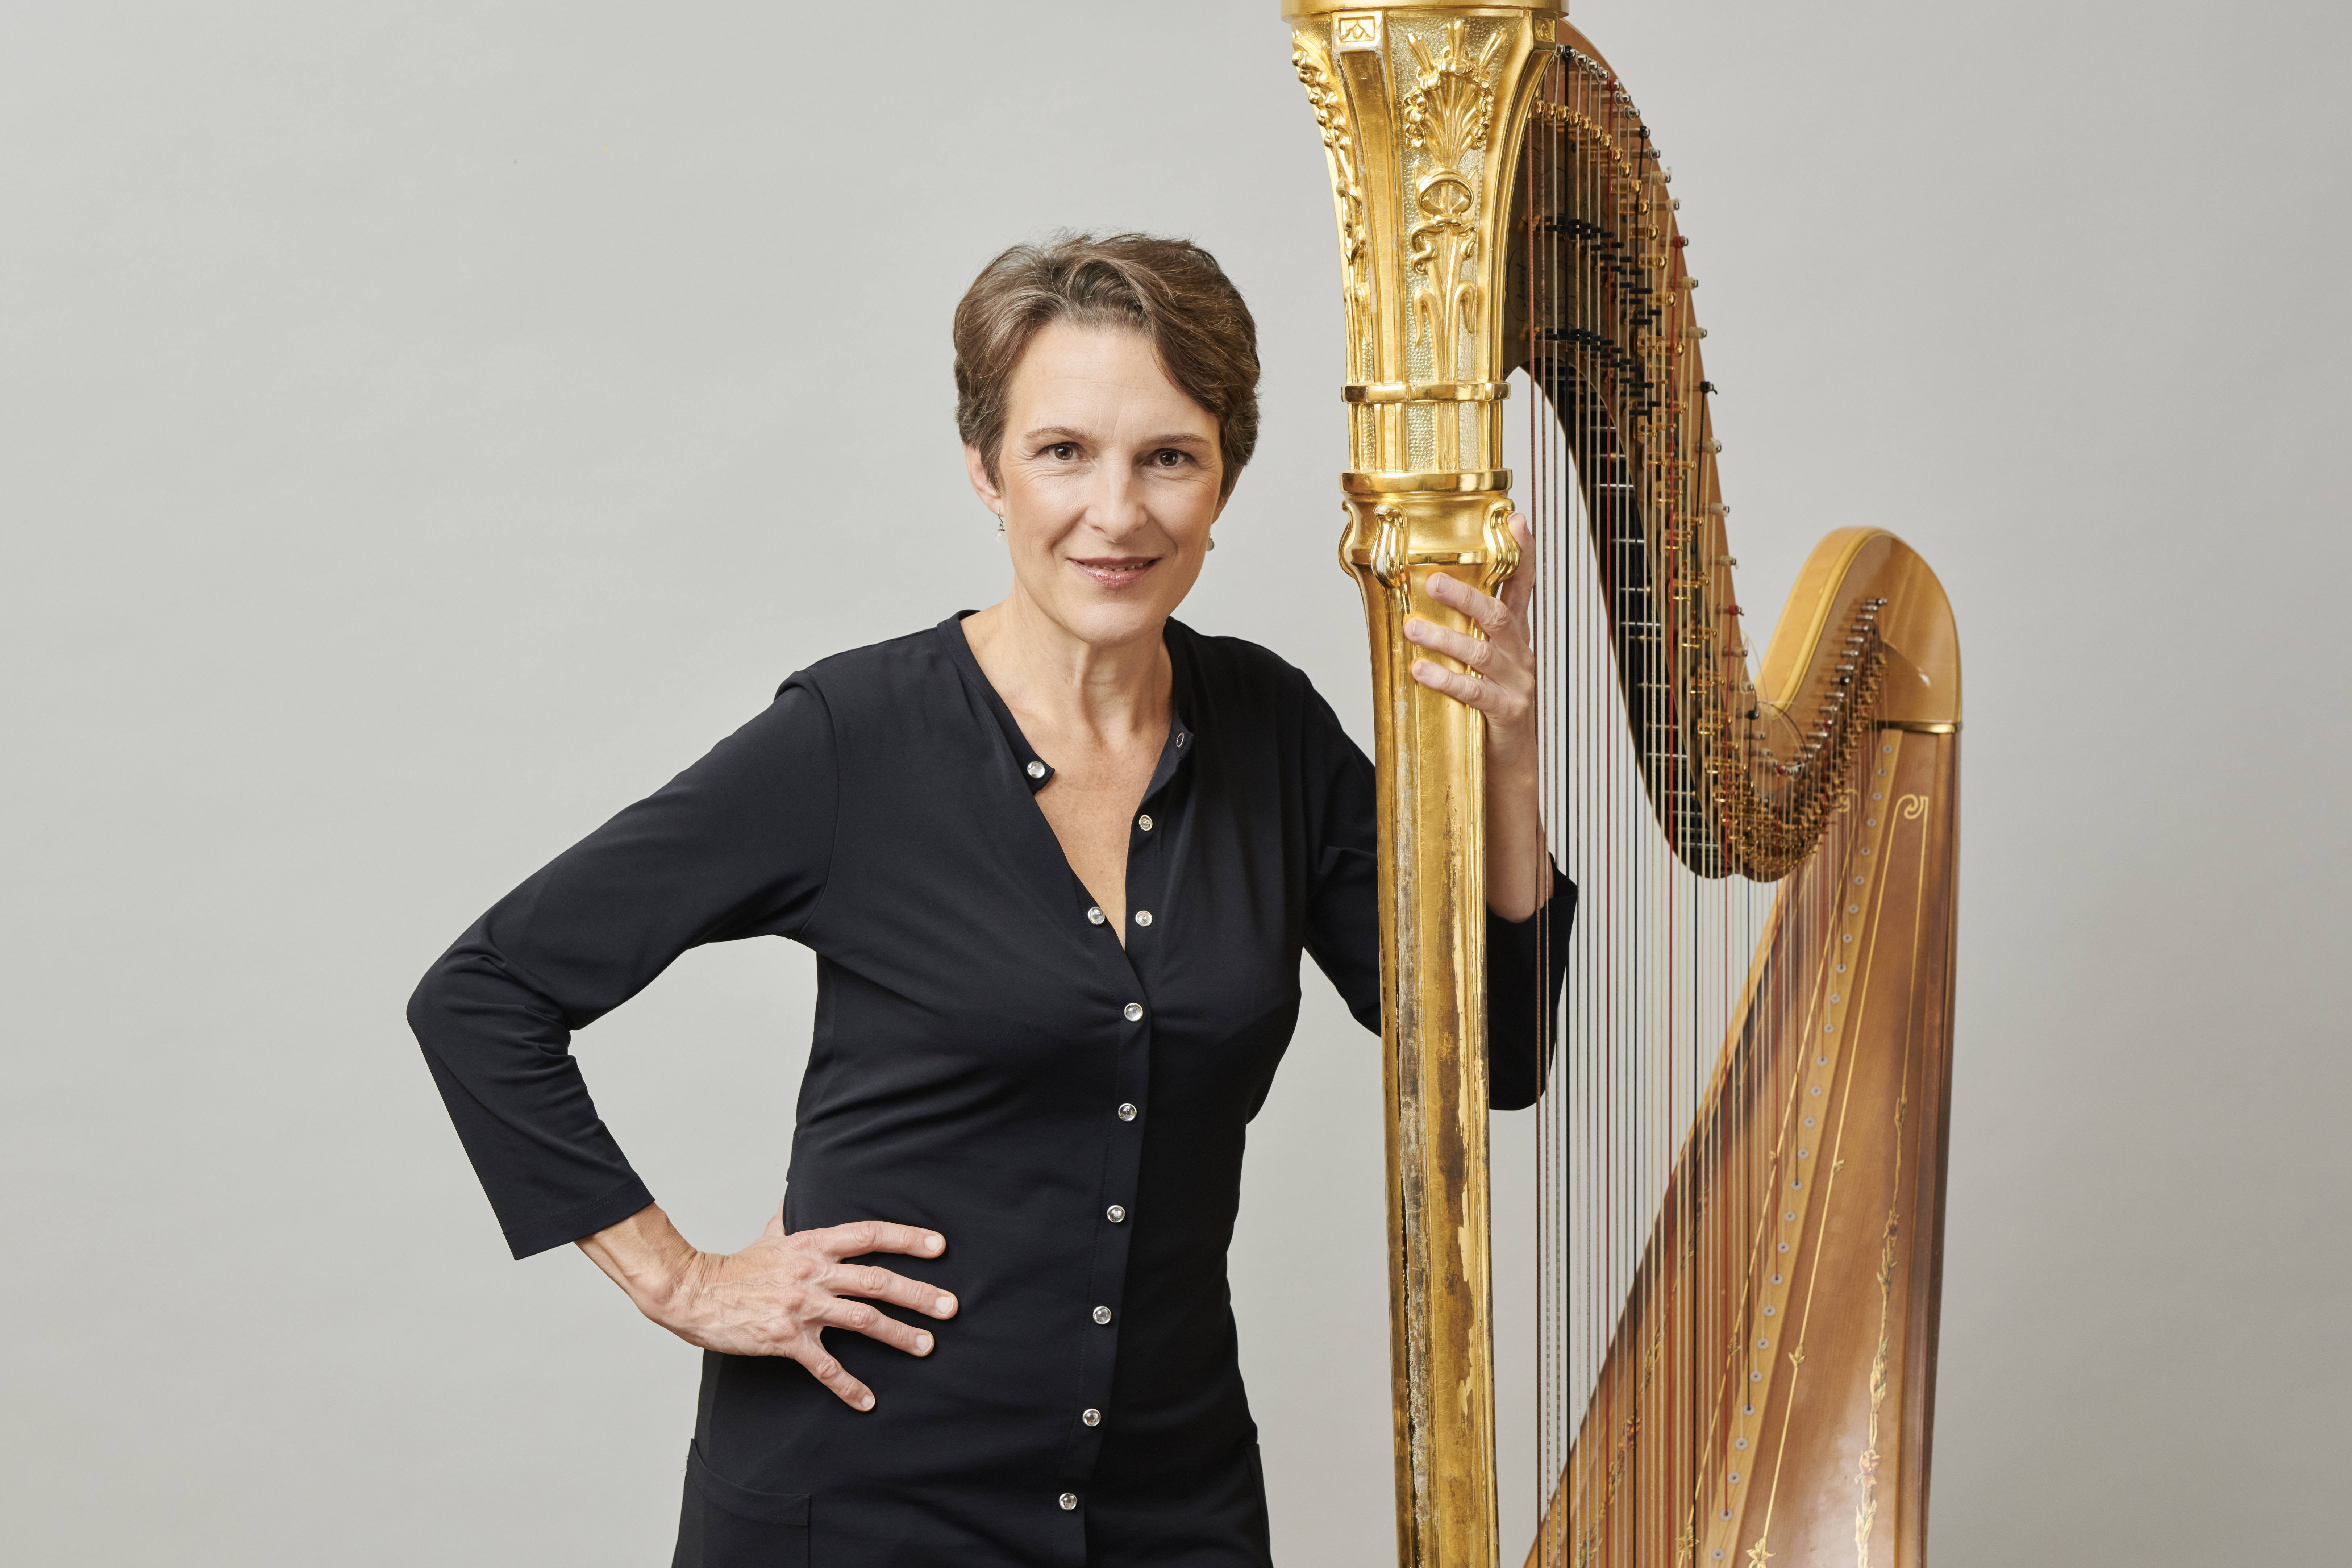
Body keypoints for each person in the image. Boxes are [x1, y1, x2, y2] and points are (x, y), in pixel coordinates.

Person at [408, 232, 1571, 1568]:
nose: (1116, 514)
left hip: (1168, 1503)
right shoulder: (854, 737)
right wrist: (682, 1282)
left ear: (1226, 478)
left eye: (1168, 457)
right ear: (985, 471)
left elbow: (1496, 1054)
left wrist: (1505, 761)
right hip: (861, 1493)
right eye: (1063, 452)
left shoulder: (1273, 730)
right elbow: (485, 993)